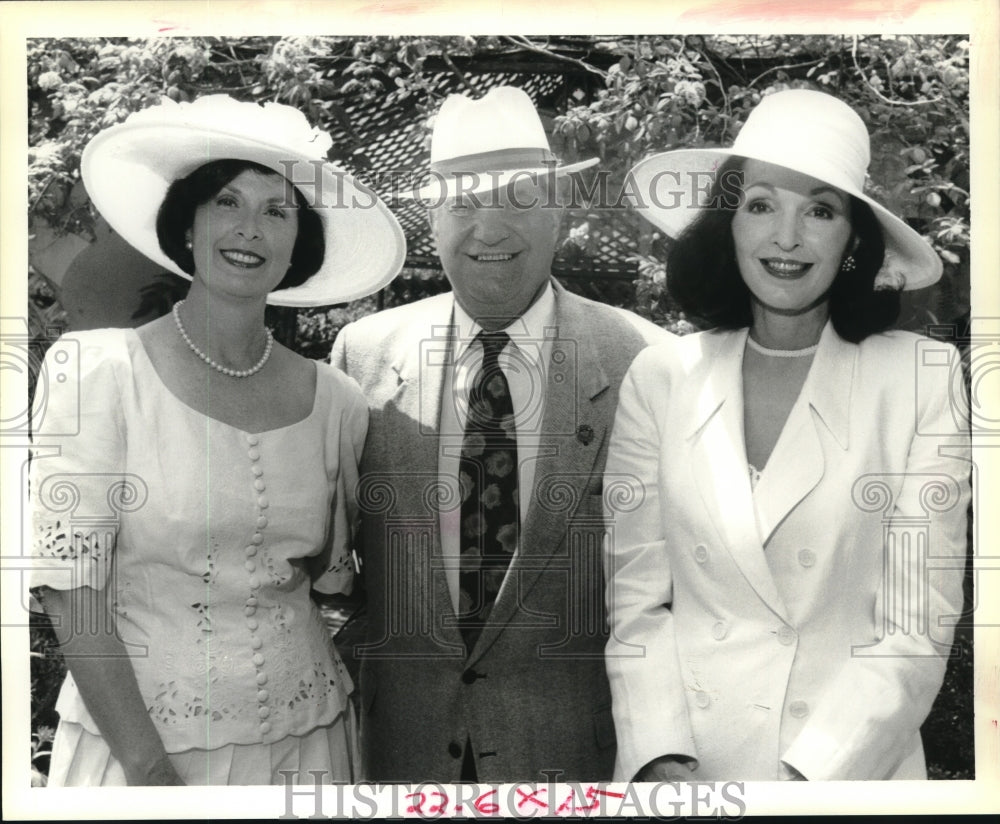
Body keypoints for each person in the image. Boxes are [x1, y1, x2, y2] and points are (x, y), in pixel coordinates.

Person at [29, 94, 405, 785]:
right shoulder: (98, 373)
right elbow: (69, 591)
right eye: (227, 203)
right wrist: (148, 772)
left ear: (299, 245)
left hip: (309, 750)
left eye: (276, 210)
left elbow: (331, 581)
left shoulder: (339, 403)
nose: (249, 229)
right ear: (188, 226)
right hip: (139, 753)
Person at [603, 88, 971, 782]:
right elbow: (637, 605)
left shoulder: (920, 379)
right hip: (684, 777)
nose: (787, 238)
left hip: (849, 771)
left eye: (821, 211)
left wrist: (808, 779)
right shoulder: (661, 377)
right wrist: (659, 757)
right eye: (762, 204)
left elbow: (916, 625)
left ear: (855, 240)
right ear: (729, 222)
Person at [331, 86, 672, 782]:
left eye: (517, 199)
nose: (488, 230)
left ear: (561, 212)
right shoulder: (360, 357)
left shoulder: (645, 363)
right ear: (431, 216)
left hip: (577, 766)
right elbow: (334, 577)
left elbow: (669, 597)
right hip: (402, 764)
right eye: (462, 203)